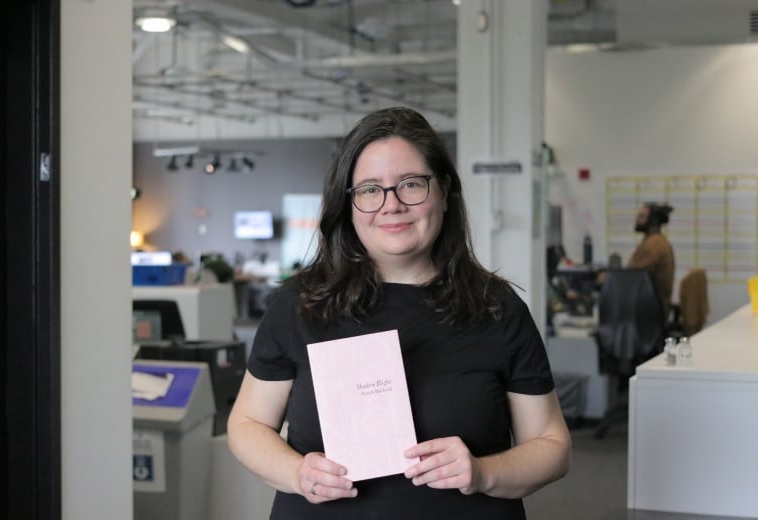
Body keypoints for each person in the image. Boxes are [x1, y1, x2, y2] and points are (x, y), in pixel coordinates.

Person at [227, 107, 571, 519]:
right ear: (348, 204)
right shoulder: (301, 303)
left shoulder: (495, 307)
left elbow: (552, 446)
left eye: (411, 184)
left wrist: (482, 472)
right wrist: (297, 472)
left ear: (443, 191)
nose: (391, 205)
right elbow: (247, 424)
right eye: (370, 189)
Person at [627, 202, 675, 314]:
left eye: (641, 216)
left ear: (652, 221)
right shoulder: (656, 241)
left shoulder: (653, 245)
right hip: (653, 306)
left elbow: (632, 275)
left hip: (650, 311)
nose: (637, 220)